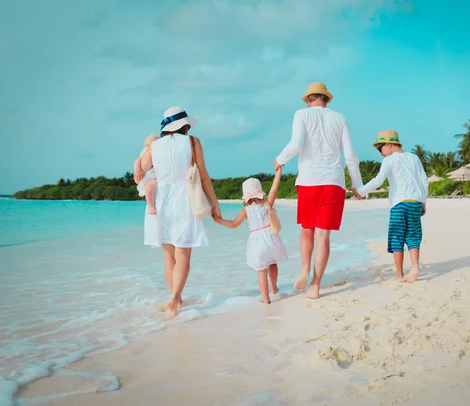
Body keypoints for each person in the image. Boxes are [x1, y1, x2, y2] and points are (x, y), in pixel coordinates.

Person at [274, 82, 363, 299]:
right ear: (326, 99)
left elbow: (296, 143)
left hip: (309, 181)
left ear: (308, 100)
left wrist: (280, 159)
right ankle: (315, 285)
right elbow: (350, 154)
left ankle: (304, 269)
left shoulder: (302, 115)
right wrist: (357, 183)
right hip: (333, 181)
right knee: (323, 235)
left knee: (307, 229)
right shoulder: (340, 118)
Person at [137, 106, 221, 318]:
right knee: (183, 252)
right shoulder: (193, 142)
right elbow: (203, 176)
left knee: (168, 254)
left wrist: (140, 159)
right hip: (185, 198)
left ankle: (176, 297)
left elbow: (139, 173)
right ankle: (175, 298)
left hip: (161, 199)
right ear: (185, 126)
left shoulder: (154, 146)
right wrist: (214, 203)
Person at [352, 130, 428, 283]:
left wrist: (360, 192)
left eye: (380, 149)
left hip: (399, 204)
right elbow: (424, 181)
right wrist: (423, 202)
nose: (380, 154)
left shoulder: (389, 160)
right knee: (413, 235)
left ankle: (399, 274)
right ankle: (414, 267)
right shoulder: (414, 158)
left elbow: (378, 180)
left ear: (389, 144)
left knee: (396, 237)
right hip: (415, 203)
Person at [214, 168, 287, 304]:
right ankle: (274, 286)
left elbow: (234, 224)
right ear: (260, 191)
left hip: (257, 242)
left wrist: (219, 220)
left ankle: (266, 299)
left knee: (261, 271)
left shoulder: (246, 210)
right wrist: (278, 172)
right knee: (272, 263)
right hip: (271, 238)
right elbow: (275, 188)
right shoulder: (267, 204)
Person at [133, 134, 159, 214]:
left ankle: (151, 204)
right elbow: (137, 161)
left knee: (150, 188)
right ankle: (150, 206)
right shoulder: (146, 150)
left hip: (152, 175)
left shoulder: (155, 151)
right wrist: (137, 171)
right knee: (150, 186)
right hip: (147, 176)